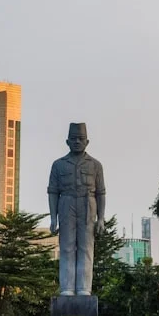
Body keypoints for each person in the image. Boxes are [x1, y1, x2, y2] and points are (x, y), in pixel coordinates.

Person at [47, 122, 106, 296]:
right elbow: (52, 192)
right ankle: (66, 288)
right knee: (66, 247)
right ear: (67, 141)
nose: (77, 142)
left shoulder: (96, 165)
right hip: (66, 204)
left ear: (87, 141)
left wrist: (101, 218)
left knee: (86, 248)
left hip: (88, 205)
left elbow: (101, 193)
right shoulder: (58, 165)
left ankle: (83, 288)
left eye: (81, 139)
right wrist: (53, 217)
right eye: (74, 139)